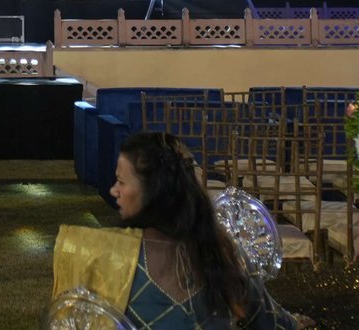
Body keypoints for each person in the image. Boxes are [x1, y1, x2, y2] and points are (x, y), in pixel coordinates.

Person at [53, 131, 311, 329]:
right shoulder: (226, 252)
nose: (114, 190)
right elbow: (270, 322)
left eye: (121, 181)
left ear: (153, 191)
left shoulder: (104, 257)